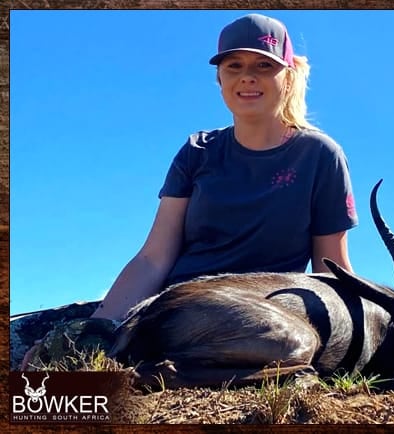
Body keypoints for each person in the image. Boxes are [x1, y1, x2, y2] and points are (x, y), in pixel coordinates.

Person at [27, 14, 359, 349]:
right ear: (219, 78)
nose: (247, 77)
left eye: (263, 65)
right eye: (234, 65)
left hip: (264, 320)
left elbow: (330, 270)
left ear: (288, 77)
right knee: (39, 352)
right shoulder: (198, 151)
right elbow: (154, 258)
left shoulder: (321, 155)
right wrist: (100, 327)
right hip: (175, 310)